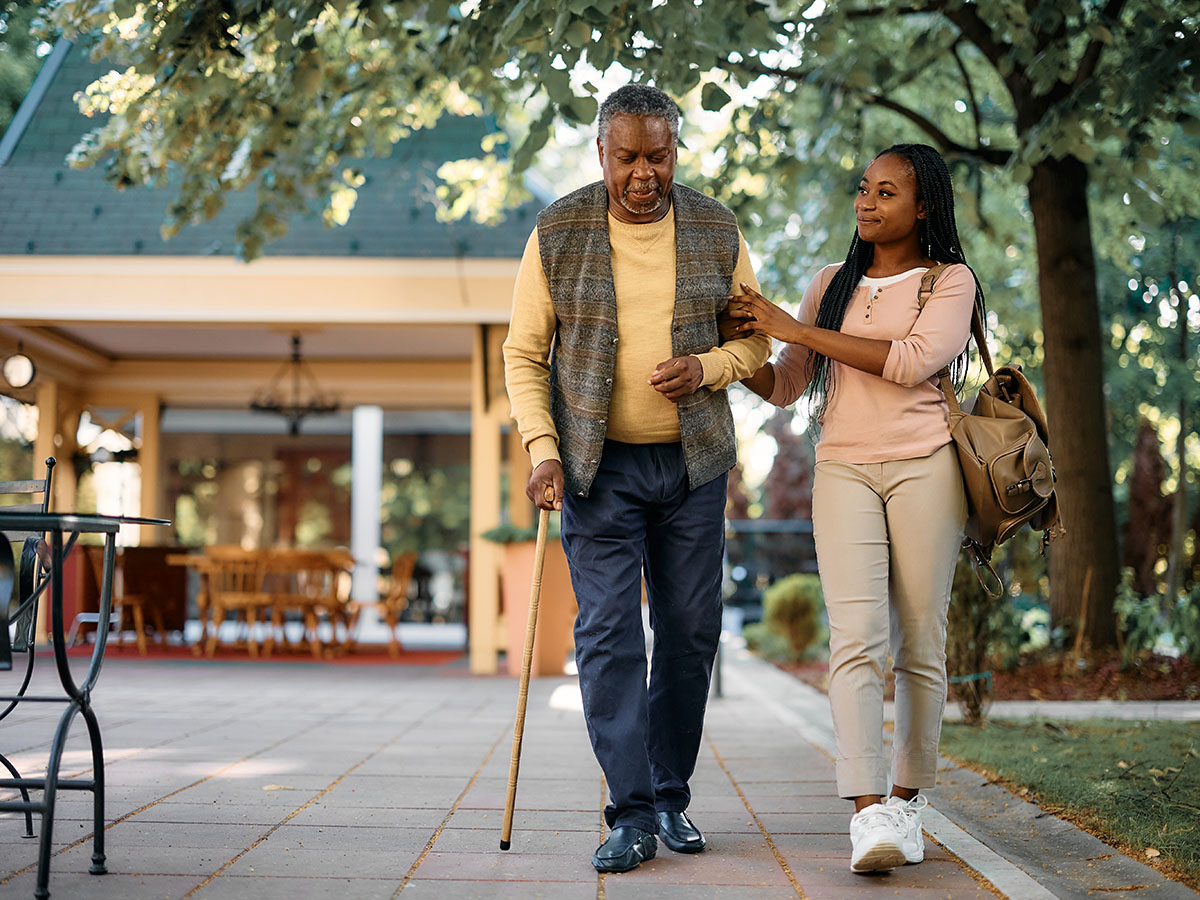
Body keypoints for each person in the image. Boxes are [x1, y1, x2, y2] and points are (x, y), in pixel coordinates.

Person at [503, 84, 770, 873]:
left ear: (675, 152)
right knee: (610, 634)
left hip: (692, 466)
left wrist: (709, 366)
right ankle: (629, 812)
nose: (645, 173)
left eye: (659, 155)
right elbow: (524, 354)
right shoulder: (558, 230)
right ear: (602, 154)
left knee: (690, 633)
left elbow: (754, 345)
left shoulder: (718, 227)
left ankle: (669, 795)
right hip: (596, 465)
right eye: (629, 158)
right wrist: (541, 448)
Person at [725, 143, 982, 873]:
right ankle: (868, 815)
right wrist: (738, 353)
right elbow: (785, 385)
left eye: (887, 193)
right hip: (843, 470)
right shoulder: (828, 284)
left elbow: (907, 362)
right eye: (864, 189)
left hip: (925, 468)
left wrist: (793, 327)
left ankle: (907, 802)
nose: (867, 203)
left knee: (920, 646)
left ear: (923, 205)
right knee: (857, 640)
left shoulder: (948, 282)